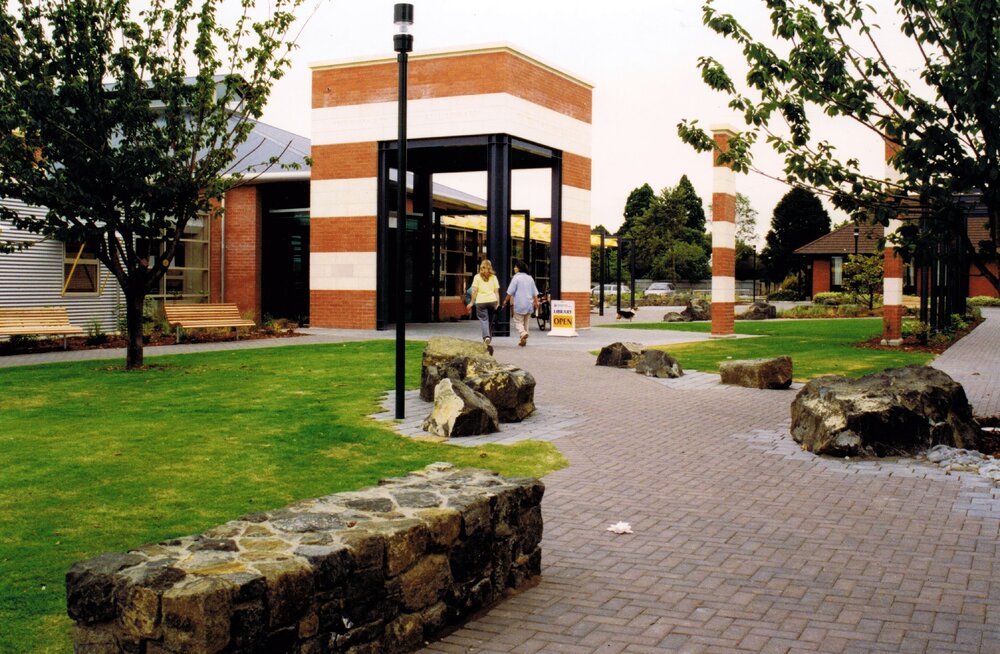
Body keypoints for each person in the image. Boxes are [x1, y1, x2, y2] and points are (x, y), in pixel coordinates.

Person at [501, 259, 540, 347]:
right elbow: (534, 292)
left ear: (519, 268)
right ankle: (523, 340)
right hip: (529, 304)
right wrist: (536, 302)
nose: (514, 268)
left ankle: (522, 333)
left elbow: (510, 292)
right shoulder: (530, 278)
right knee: (526, 322)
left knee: (517, 321)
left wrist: (505, 301)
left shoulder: (516, 278)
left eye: (515, 267)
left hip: (519, 303)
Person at [467, 259, 500, 353]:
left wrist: (472, 302)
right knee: (489, 320)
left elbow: (474, 291)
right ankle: (488, 339)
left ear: (481, 267)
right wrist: (498, 302)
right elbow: (496, 292)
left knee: (484, 320)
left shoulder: (477, 277)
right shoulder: (493, 277)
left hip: (481, 302)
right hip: (492, 301)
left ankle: (486, 337)